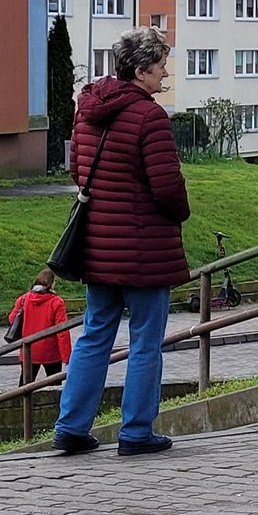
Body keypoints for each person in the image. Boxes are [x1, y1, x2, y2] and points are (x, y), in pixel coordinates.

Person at [52, 27, 190, 457]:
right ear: (141, 69)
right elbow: (167, 188)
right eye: (162, 65)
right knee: (147, 339)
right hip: (145, 250)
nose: (166, 73)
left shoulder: (87, 110)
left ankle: (71, 427)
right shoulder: (150, 118)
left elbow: (78, 171)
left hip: (97, 245)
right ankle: (135, 432)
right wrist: (180, 211)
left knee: (95, 334)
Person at [8, 270, 72, 385]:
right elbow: (62, 331)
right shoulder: (56, 302)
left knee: (25, 386)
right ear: (52, 284)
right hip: (50, 351)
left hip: (28, 349)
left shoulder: (23, 299)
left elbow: (12, 319)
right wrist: (66, 356)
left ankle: (23, 403)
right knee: (54, 385)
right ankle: (53, 403)